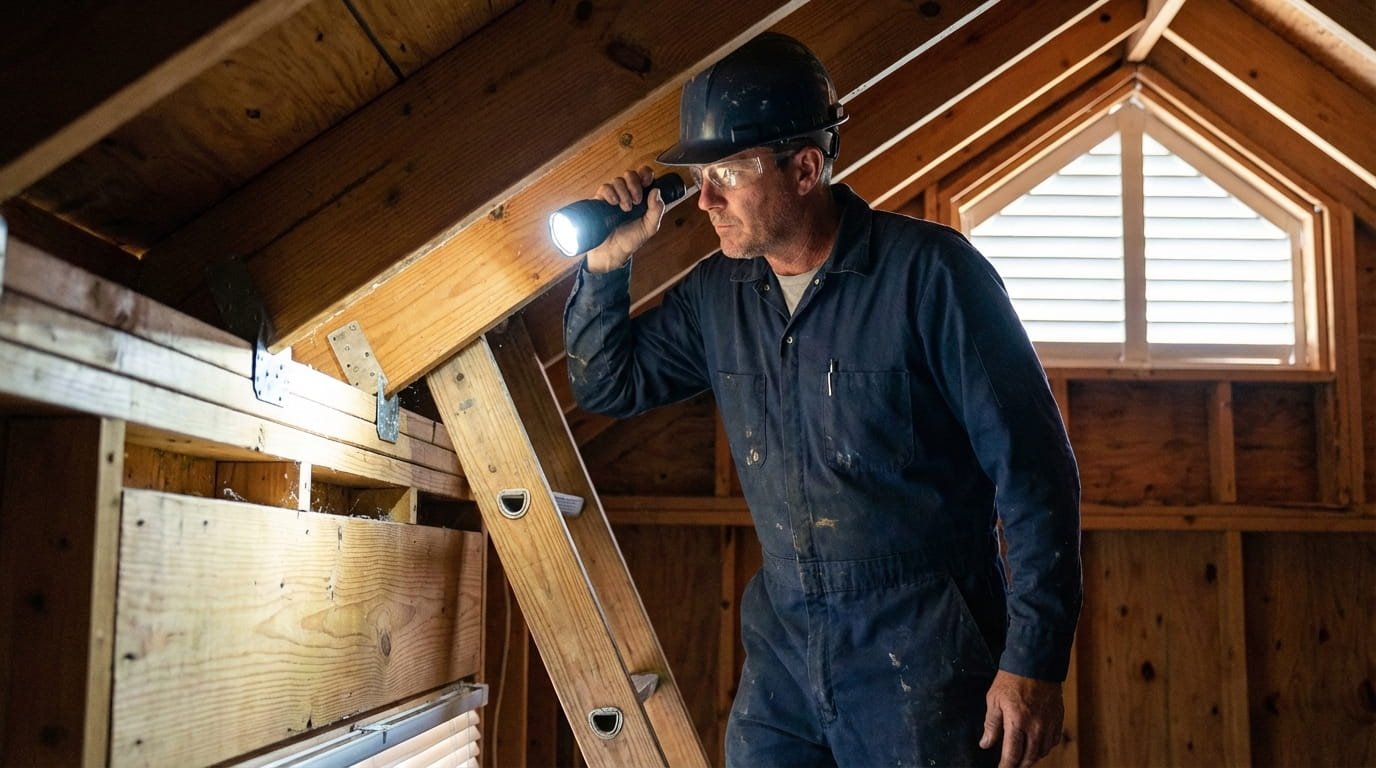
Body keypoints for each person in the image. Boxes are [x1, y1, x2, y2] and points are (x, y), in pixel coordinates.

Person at [563, 32, 1081, 768]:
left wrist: (1033, 659)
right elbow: (607, 382)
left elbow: (1034, 473)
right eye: (701, 175)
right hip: (784, 650)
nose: (705, 199)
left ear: (805, 166)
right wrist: (607, 266)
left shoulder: (931, 277)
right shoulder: (720, 294)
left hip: (924, 646)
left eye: (730, 173)